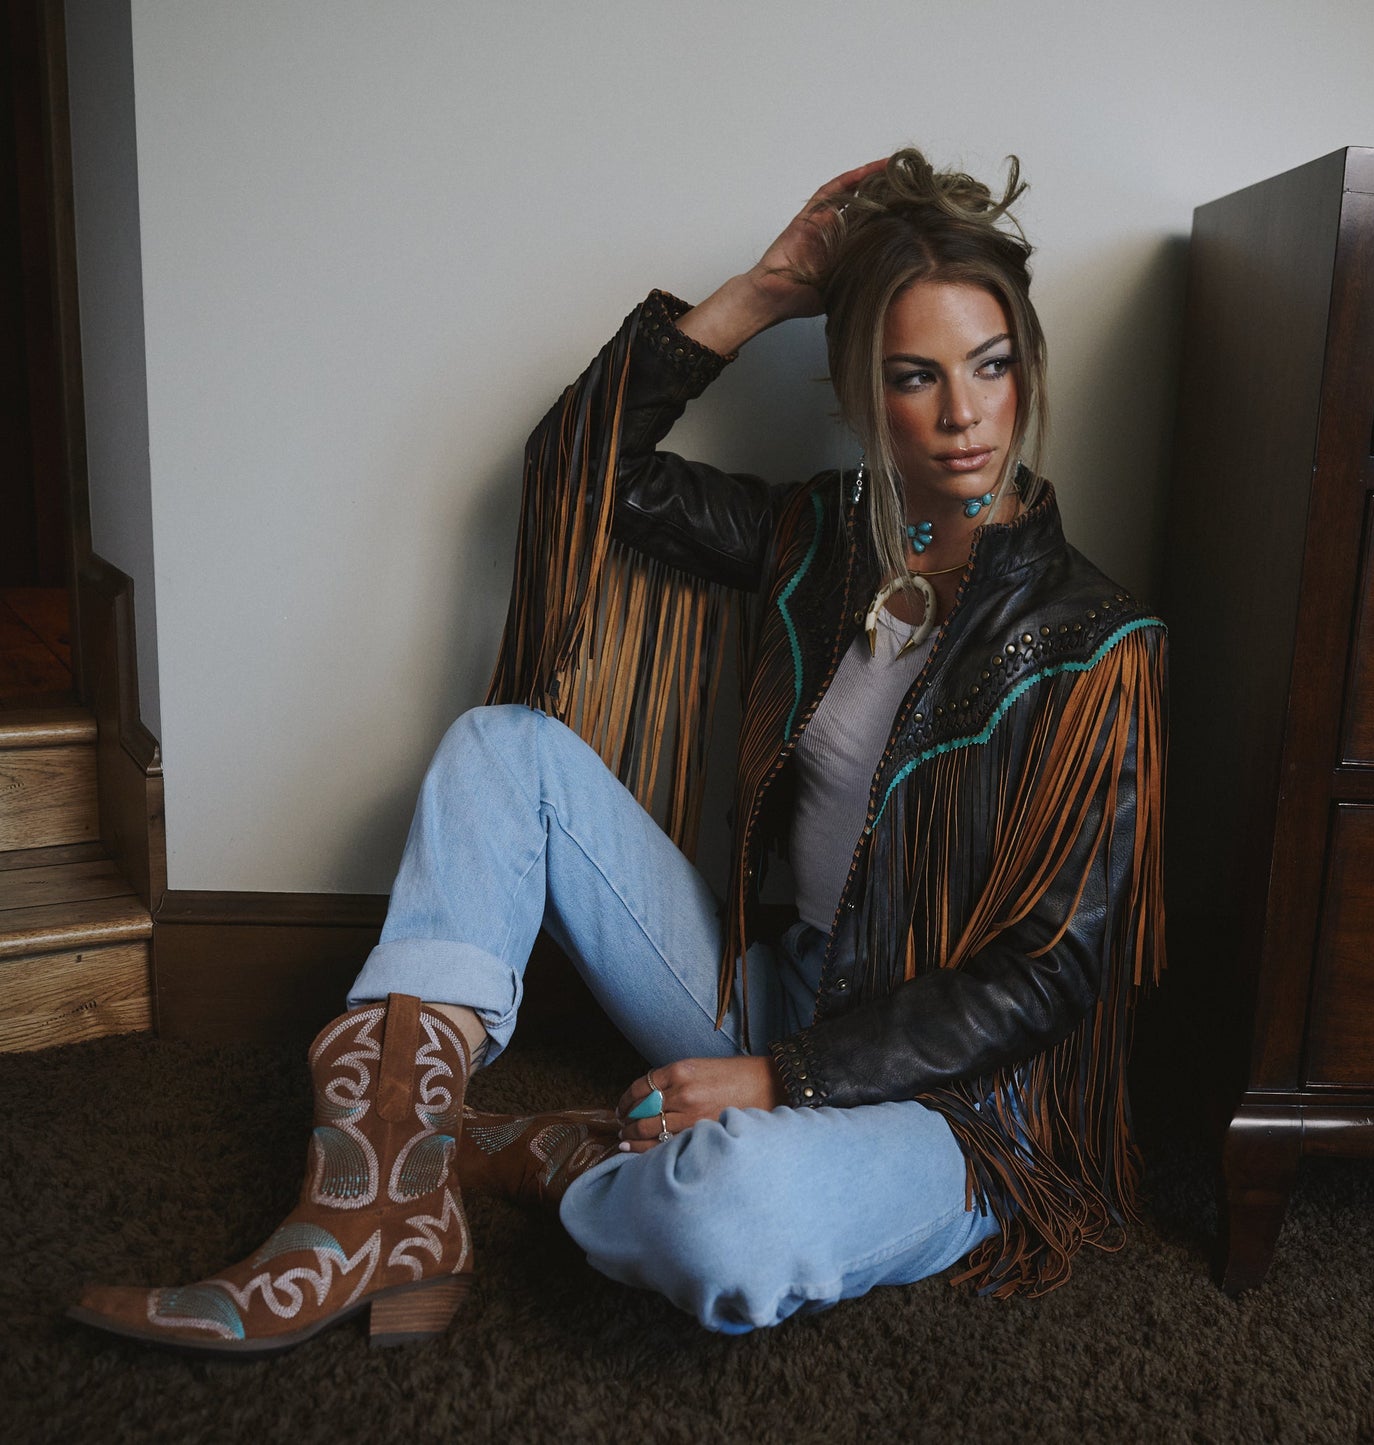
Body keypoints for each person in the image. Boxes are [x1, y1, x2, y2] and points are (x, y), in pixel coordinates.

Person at [69, 150, 1166, 1352]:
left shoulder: (1090, 640)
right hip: (761, 991)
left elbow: (1050, 971)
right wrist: (752, 295)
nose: (961, 414)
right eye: (915, 376)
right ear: (862, 392)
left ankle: (547, 1151)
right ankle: (375, 1198)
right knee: (501, 750)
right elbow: (582, 472)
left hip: (946, 1107)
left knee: (730, 1215)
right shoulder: (818, 540)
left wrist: (778, 1082)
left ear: (1025, 373)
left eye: (988, 366)